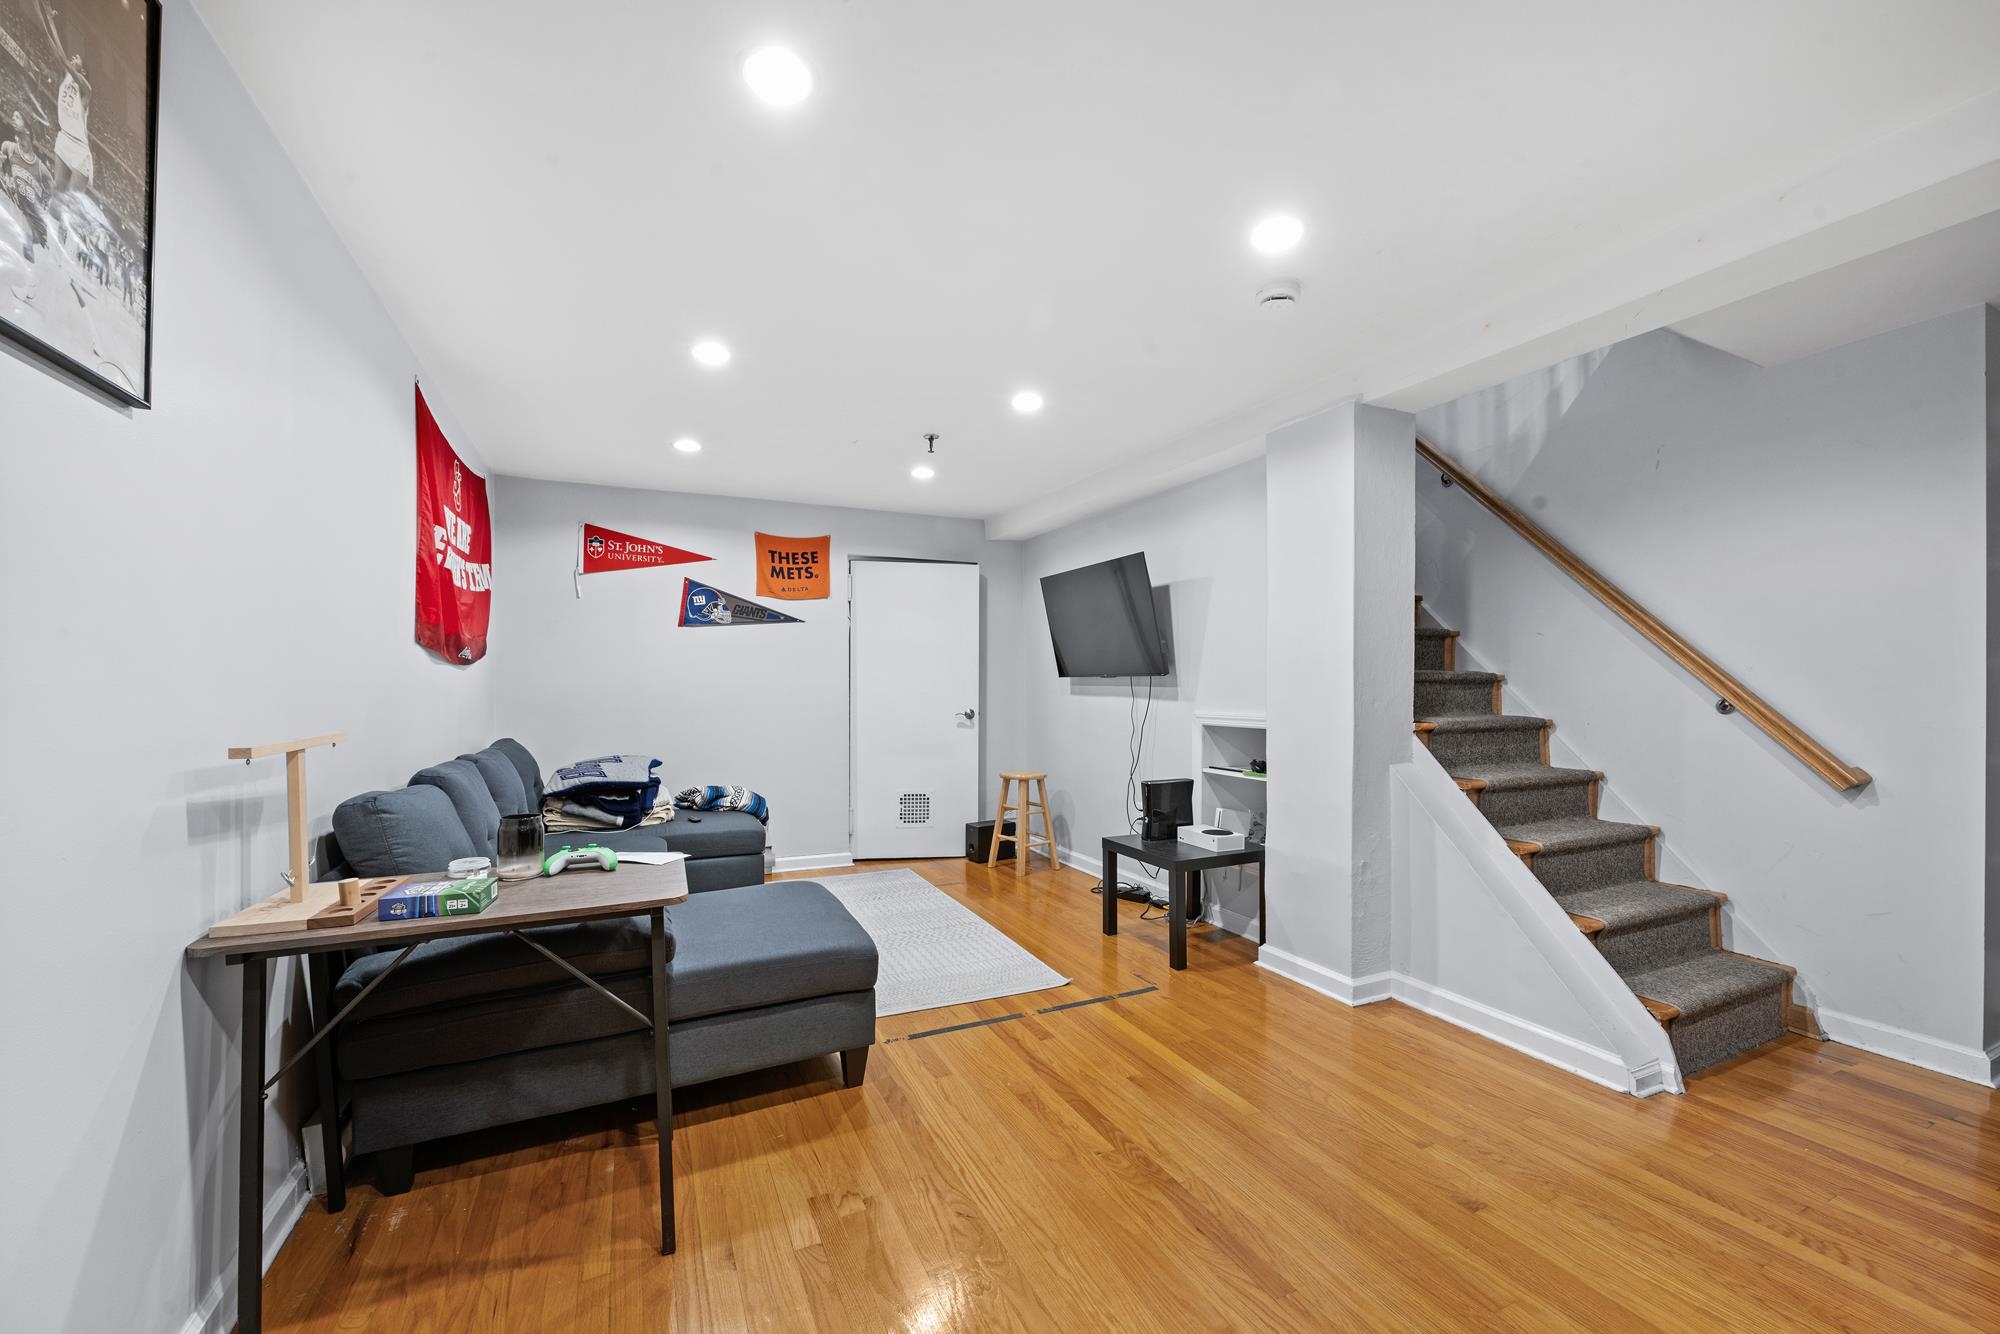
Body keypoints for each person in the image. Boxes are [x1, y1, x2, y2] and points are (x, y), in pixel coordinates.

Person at [40, 4, 94, 195]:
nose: (74, 57)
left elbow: (63, 58)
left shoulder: (86, 88)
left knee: (71, 204)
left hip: (80, 148)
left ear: (83, 71)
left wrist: (53, 22)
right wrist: (43, 13)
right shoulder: (66, 76)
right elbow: (48, 39)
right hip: (64, 137)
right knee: (57, 192)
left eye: (78, 58)